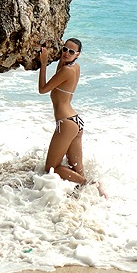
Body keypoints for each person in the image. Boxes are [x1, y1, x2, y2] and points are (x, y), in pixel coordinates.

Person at [38, 38, 107, 196]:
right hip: (75, 121)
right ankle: (87, 196)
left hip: (66, 123)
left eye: (71, 52)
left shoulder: (67, 71)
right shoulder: (74, 67)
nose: (66, 53)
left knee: (52, 168)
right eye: (64, 49)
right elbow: (61, 67)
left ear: (78, 54)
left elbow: (43, 89)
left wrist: (43, 64)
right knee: (76, 170)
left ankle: (91, 184)